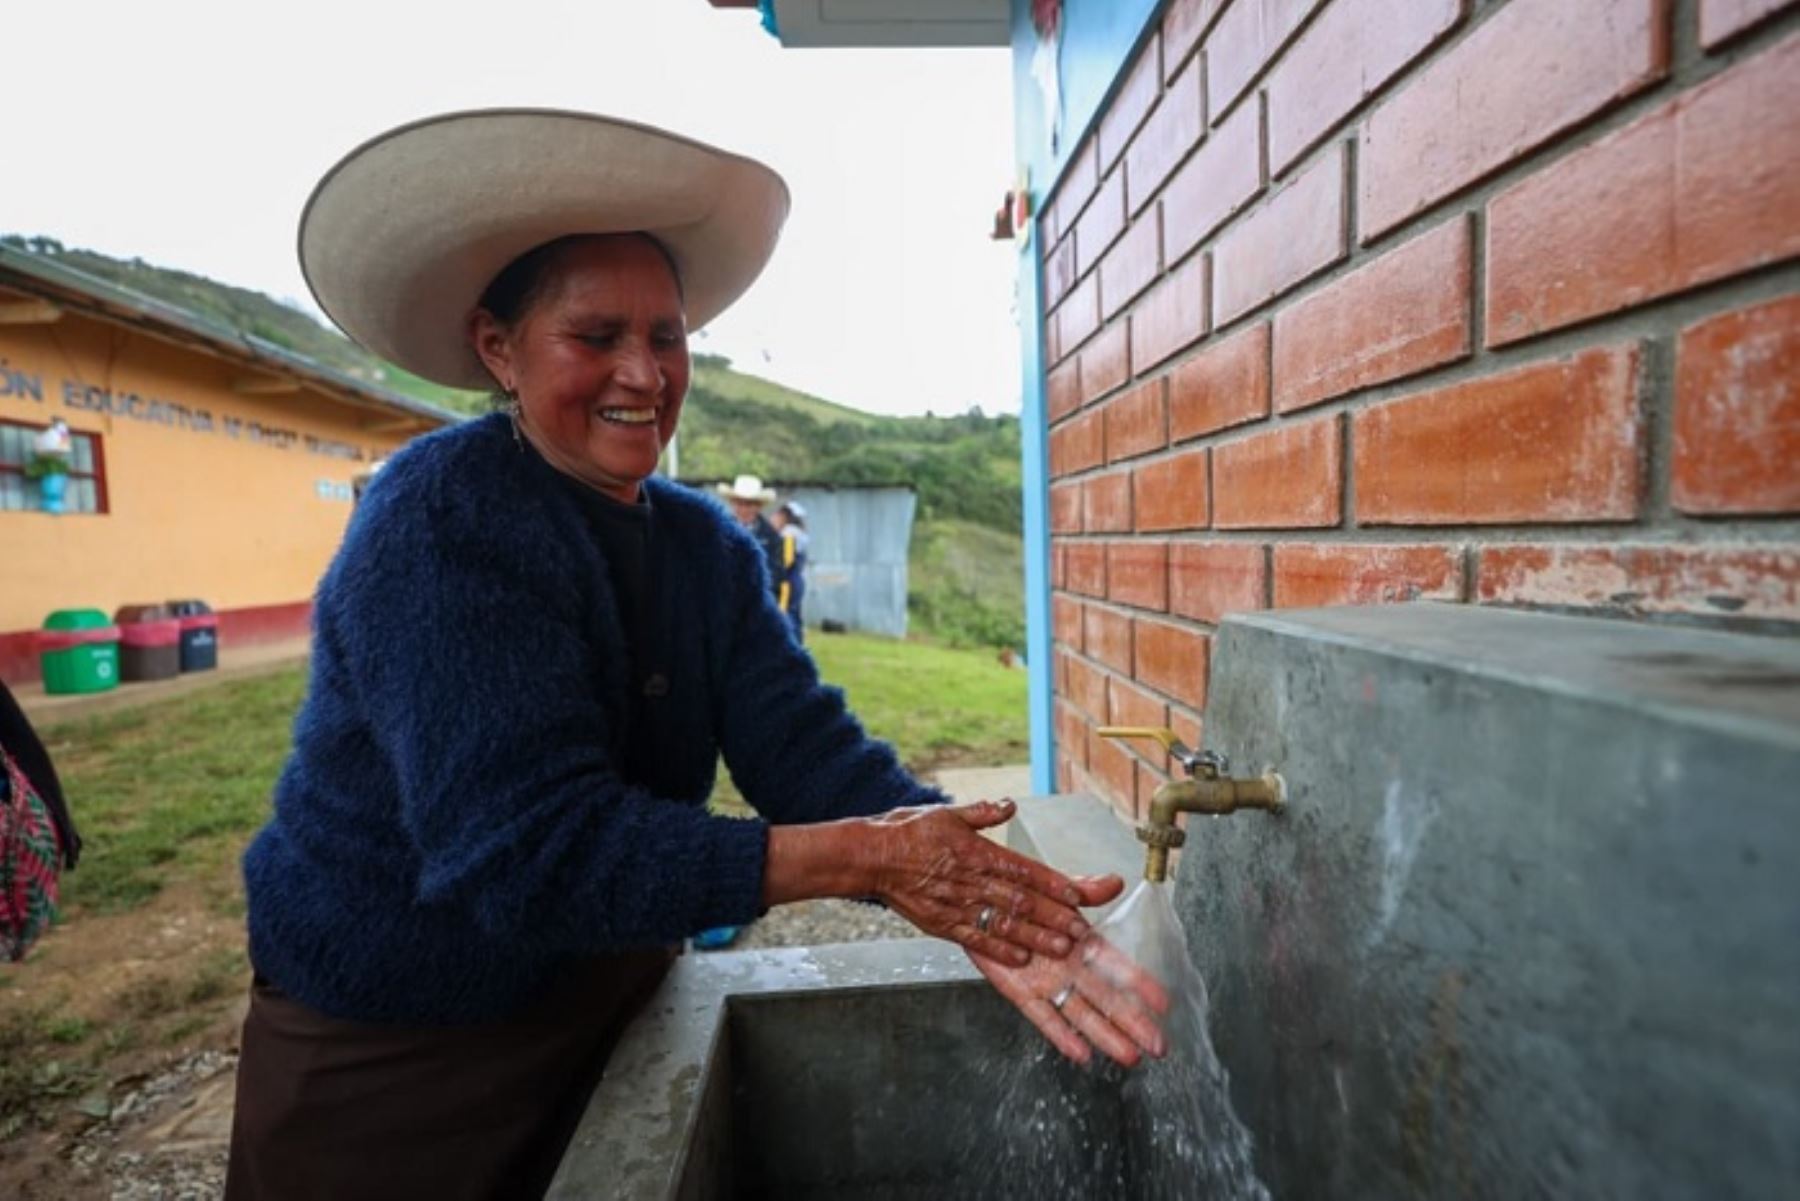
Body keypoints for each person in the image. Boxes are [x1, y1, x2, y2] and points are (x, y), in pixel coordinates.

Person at [226, 109, 1166, 1200]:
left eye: (667, 337)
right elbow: (528, 852)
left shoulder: (702, 546)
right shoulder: (442, 519)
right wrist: (868, 859)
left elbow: (807, 751)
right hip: (400, 1045)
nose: (644, 372)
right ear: (499, 348)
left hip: (614, 990)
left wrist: (980, 880)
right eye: (596, 336)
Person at [717, 473, 790, 612]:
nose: (744, 509)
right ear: (733, 503)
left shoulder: (772, 537)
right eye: (739, 503)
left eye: (749, 504)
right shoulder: (719, 531)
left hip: (759, 605)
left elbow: (777, 574)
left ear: (759, 506)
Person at [771, 499, 808, 638]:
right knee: (795, 613)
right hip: (797, 578)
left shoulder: (789, 532)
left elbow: (787, 560)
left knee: (785, 613)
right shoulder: (802, 533)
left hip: (788, 580)